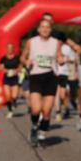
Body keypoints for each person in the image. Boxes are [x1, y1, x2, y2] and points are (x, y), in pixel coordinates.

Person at [21, 18, 63, 146]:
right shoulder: (31, 42)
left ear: (51, 30)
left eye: (48, 27)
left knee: (46, 111)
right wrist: (26, 61)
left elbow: (58, 56)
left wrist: (61, 59)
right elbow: (23, 56)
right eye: (42, 27)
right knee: (36, 109)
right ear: (38, 29)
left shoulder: (56, 42)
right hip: (36, 76)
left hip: (51, 77)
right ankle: (34, 127)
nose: (45, 29)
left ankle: (42, 133)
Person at [55, 37, 81, 122]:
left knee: (64, 95)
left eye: (60, 40)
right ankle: (58, 112)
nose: (58, 42)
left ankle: (67, 108)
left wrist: (65, 59)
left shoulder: (66, 48)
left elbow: (73, 58)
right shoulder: (51, 46)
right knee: (57, 94)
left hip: (65, 73)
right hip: (54, 73)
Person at [0, 42, 21, 118]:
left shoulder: (17, 58)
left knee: (14, 95)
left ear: (13, 49)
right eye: (8, 48)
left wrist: (16, 71)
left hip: (15, 78)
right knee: (8, 96)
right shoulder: (3, 58)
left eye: (11, 48)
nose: (10, 49)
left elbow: (20, 67)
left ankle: (14, 101)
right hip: (6, 78)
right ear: (6, 49)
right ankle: (10, 111)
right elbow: (0, 67)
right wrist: (4, 70)